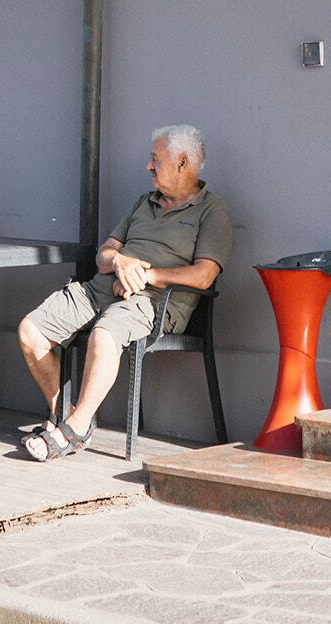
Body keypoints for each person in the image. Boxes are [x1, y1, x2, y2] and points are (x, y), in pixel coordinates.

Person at [16, 125, 230, 461]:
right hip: (101, 289)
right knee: (32, 330)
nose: (148, 166)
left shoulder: (211, 211)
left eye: (155, 160)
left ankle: (71, 430)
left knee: (104, 334)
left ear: (182, 162)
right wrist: (119, 262)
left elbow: (204, 275)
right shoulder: (143, 204)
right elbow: (104, 253)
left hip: (154, 303)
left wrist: (145, 275)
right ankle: (68, 417)